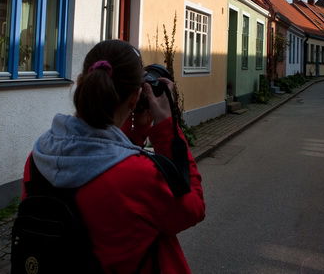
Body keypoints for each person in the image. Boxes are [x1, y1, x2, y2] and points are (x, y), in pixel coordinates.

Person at [22, 40, 205, 273]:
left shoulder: (38, 158)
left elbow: (103, 161)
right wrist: (166, 130)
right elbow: (192, 208)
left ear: (82, 82)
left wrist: (135, 133)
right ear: (135, 97)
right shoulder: (140, 176)